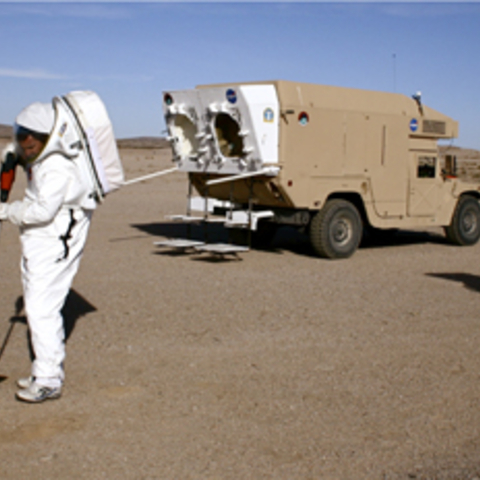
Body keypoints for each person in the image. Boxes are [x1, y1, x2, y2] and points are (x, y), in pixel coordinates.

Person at [0, 101, 94, 403]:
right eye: (21, 137)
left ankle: (49, 380)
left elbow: (41, 211)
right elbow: (22, 158)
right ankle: (44, 370)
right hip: (40, 240)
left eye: (28, 140)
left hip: (56, 240)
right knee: (36, 302)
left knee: (42, 308)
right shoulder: (40, 155)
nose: (23, 144)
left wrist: (6, 210)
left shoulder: (57, 167)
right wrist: (12, 157)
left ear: (44, 137)